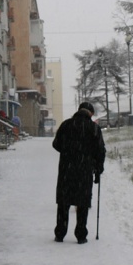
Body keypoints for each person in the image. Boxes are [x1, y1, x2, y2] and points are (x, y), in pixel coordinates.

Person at [52, 102, 106, 244]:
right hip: (84, 170)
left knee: (64, 202)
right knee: (82, 202)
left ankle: (60, 233)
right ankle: (81, 235)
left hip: (66, 169)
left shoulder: (66, 125)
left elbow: (56, 144)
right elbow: (100, 151)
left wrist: (68, 152)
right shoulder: (94, 128)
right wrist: (98, 169)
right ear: (91, 113)